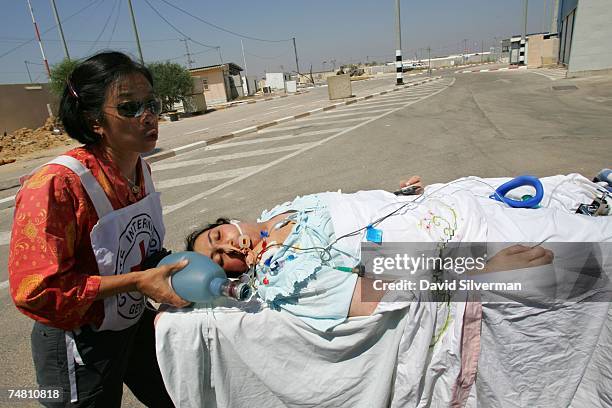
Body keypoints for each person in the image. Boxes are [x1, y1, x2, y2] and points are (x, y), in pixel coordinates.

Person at [185, 173, 612, 332]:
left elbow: (349, 205)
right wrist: (480, 268)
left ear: (230, 220)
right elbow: (372, 293)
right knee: (582, 247)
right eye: (221, 258)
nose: (229, 245)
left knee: (562, 192)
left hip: (440, 202)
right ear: (233, 274)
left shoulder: (280, 211)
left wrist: (398, 194)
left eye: (219, 235)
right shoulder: (283, 275)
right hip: (455, 238)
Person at [8, 51, 189, 407]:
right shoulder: (57, 186)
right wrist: (137, 282)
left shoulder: (140, 172)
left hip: (130, 323)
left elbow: (137, 250)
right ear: (94, 121)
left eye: (151, 103)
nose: (148, 116)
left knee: (181, 395)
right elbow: (36, 290)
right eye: (129, 108)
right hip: (78, 345)